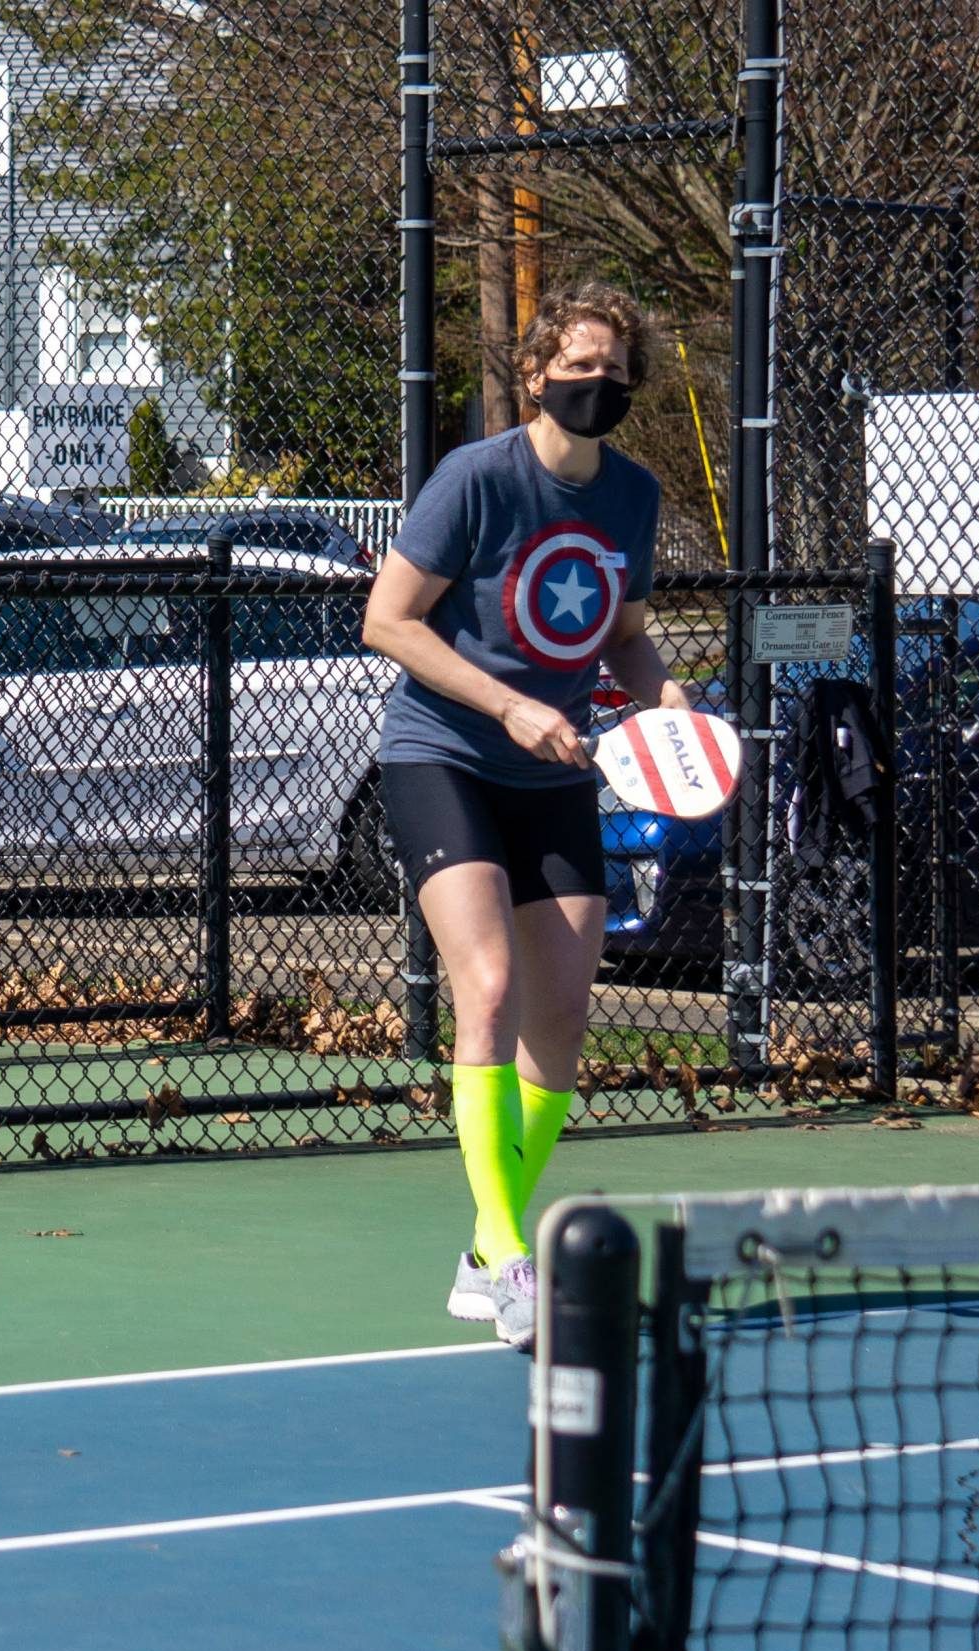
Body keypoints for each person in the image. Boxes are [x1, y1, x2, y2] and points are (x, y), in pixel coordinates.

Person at [361, 280, 685, 1349]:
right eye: (577, 368)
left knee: (561, 1014)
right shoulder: (476, 479)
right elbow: (389, 622)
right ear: (538, 371)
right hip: (443, 754)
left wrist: (663, 698)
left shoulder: (630, 496)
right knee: (489, 989)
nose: (595, 385)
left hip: (557, 774)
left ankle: (477, 1250)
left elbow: (625, 634)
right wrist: (506, 704)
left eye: (613, 371)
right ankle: (508, 1256)